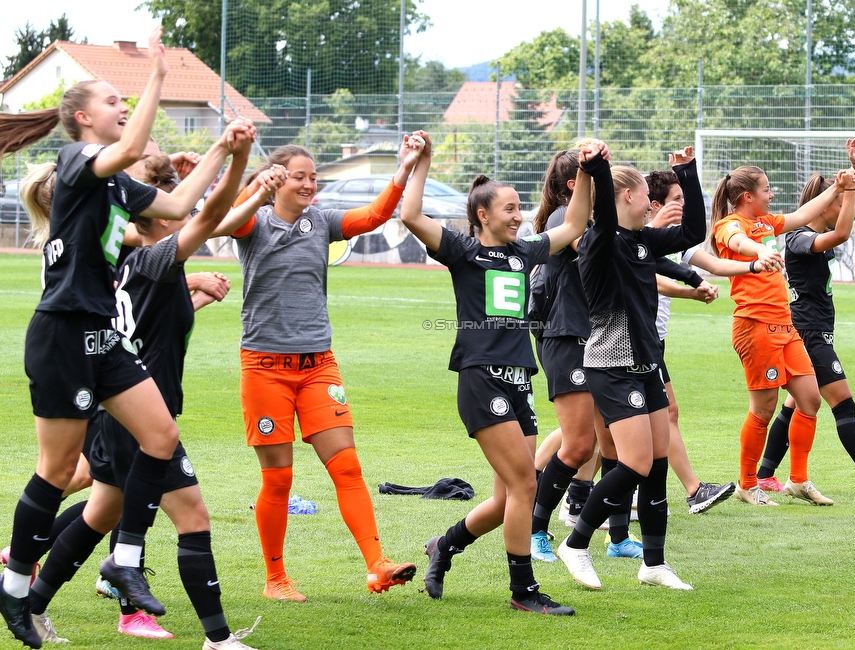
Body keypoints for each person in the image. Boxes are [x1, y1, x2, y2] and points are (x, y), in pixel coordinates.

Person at [0, 28, 232, 649]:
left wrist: (224, 150)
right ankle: (16, 588)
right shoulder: (77, 162)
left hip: (104, 336)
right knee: (55, 473)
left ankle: (125, 557)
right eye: (110, 99)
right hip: (63, 336)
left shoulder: (114, 185)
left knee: (160, 436)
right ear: (82, 119)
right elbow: (131, 145)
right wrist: (157, 76)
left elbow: (182, 208)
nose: (120, 107)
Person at [210, 136, 425, 601]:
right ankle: (276, 580)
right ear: (277, 179)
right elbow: (222, 222)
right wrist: (254, 191)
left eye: (314, 177)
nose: (310, 184)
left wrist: (404, 167)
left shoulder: (320, 222)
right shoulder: (255, 222)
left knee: (347, 467)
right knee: (279, 479)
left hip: (318, 366)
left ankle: (377, 565)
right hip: (264, 366)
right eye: (300, 176)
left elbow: (373, 217)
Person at [402, 132, 593, 615]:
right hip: (481, 379)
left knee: (508, 493)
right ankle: (524, 593)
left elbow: (575, 222)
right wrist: (421, 162)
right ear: (483, 215)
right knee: (526, 485)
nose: (518, 215)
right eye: (509, 208)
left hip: (518, 380)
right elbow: (409, 216)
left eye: (520, 207)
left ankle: (443, 545)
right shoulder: (464, 252)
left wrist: (588, 170)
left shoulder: (524, 253)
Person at [555, 146, 706, 592]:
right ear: (624, 198)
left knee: (657, 462)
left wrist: (688, 172)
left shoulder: (644, 241)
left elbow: (695, 229)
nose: (653, 206)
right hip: (611, 364)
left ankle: (654, 564)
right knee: (636, 463)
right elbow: (601, 208)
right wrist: (598, 167)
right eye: (646, 197)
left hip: (644, 364)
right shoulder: (602, 240)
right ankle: (576, 542)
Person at [757, 139, 855, 498]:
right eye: (840, 201)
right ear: (826, 206)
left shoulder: (818, 230)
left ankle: (765, 474)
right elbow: (843, 231)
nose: (847, 207)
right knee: (843, 401)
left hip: (814, 329)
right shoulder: (796, 236)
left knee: (794, 406)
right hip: (808, 331)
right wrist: (848, 186)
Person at [710, 162, 855, 508]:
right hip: (755, 327)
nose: (772, 194)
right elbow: (737, 241)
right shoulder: (730, 224)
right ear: (748, 196)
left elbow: (803, 213)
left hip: (786, 327)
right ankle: (748, 484)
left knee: (810, 400)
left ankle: (798, 480)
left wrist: (837, 188)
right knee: (763, 409)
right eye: (766, 189)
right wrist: (760, 251)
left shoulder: (766, 221)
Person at [645, 169, 769, 514]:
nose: (682, 205)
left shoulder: (671, 240)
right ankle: (692, 490)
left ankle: (578, 493)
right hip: (636, 340)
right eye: (676, 200)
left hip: (655, 338)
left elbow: (712, 264)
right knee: (654, 416)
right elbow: (651, 278)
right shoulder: (636, 238)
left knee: (613, 427)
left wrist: (754, 265)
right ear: (654, 205)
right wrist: (692, 292)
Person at [527, 148, 603, 562]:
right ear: (575, 185)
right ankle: (534, 530)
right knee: (578, 445)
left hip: (593, 338)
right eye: (595, 177)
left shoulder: (585, 219)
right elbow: (592, 250)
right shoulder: (562, 218)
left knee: (601, 440)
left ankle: (612, 529)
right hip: (566, 337)